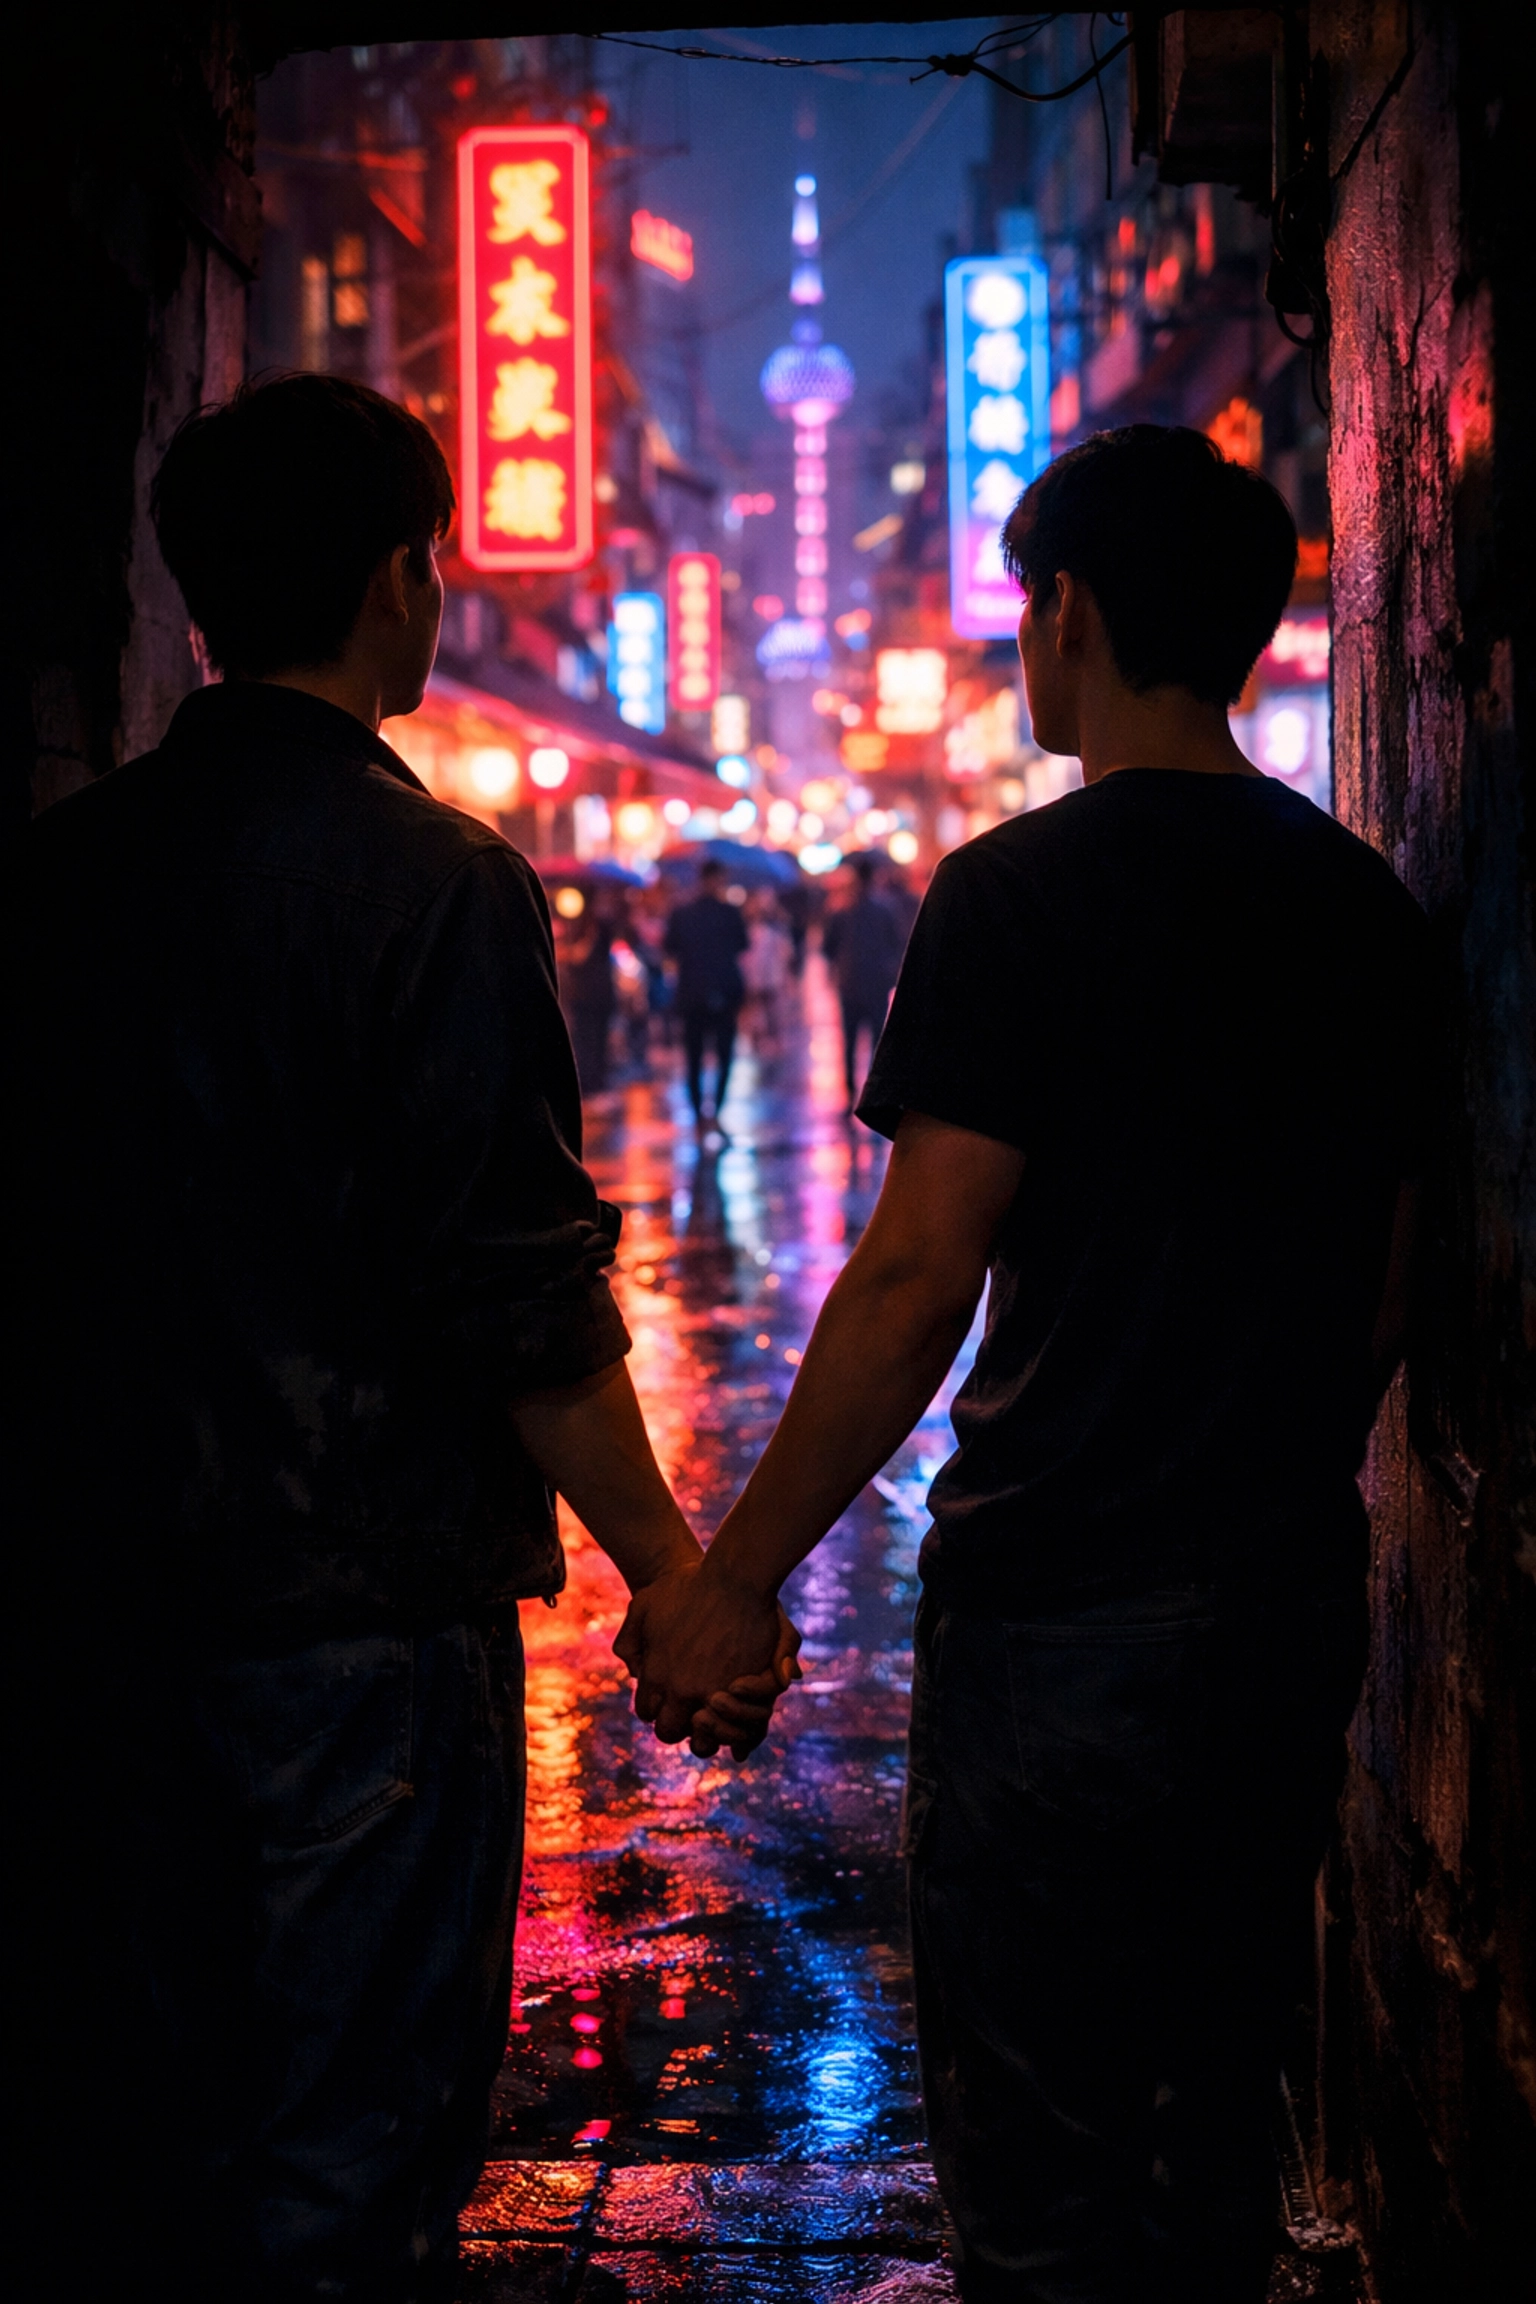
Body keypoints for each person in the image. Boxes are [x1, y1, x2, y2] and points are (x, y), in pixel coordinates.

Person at [619, 425, 1434, 2304]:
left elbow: (916, 1272)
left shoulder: (1014, 894)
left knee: (1047, 2141)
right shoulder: (1367, 908)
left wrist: (732, 1574)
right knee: (1218, 2092)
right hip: (1285, 1596)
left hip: (1064, 1611)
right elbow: (1391, 1286)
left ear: (1064, 611)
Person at [7, 373, 793, 2301]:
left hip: (90, 1607)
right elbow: (511, 1286)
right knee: (343, 2146)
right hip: (351, 1618)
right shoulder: (435, 880)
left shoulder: (56, 872)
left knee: (122, 2123)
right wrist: (678, 1576)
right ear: (391, 584)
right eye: (432, 559)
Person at [664, 856, 748, 1131]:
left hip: (692, 995)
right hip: (724, 994)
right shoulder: (730, 913)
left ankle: (700, 1115)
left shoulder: (682, 914)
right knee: (724, 1057)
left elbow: (670, 948)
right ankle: (716, 1112)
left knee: (694, 1058)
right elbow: (742, 947)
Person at [823, 852, 906, 1111]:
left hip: (851, 985)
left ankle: (852, 1094)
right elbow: (898, 944)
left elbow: (828, 948)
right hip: (875, 984)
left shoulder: (841, 911)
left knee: (851, 1041)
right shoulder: (885, 910)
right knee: (876, 1043)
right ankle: (871, 1096)